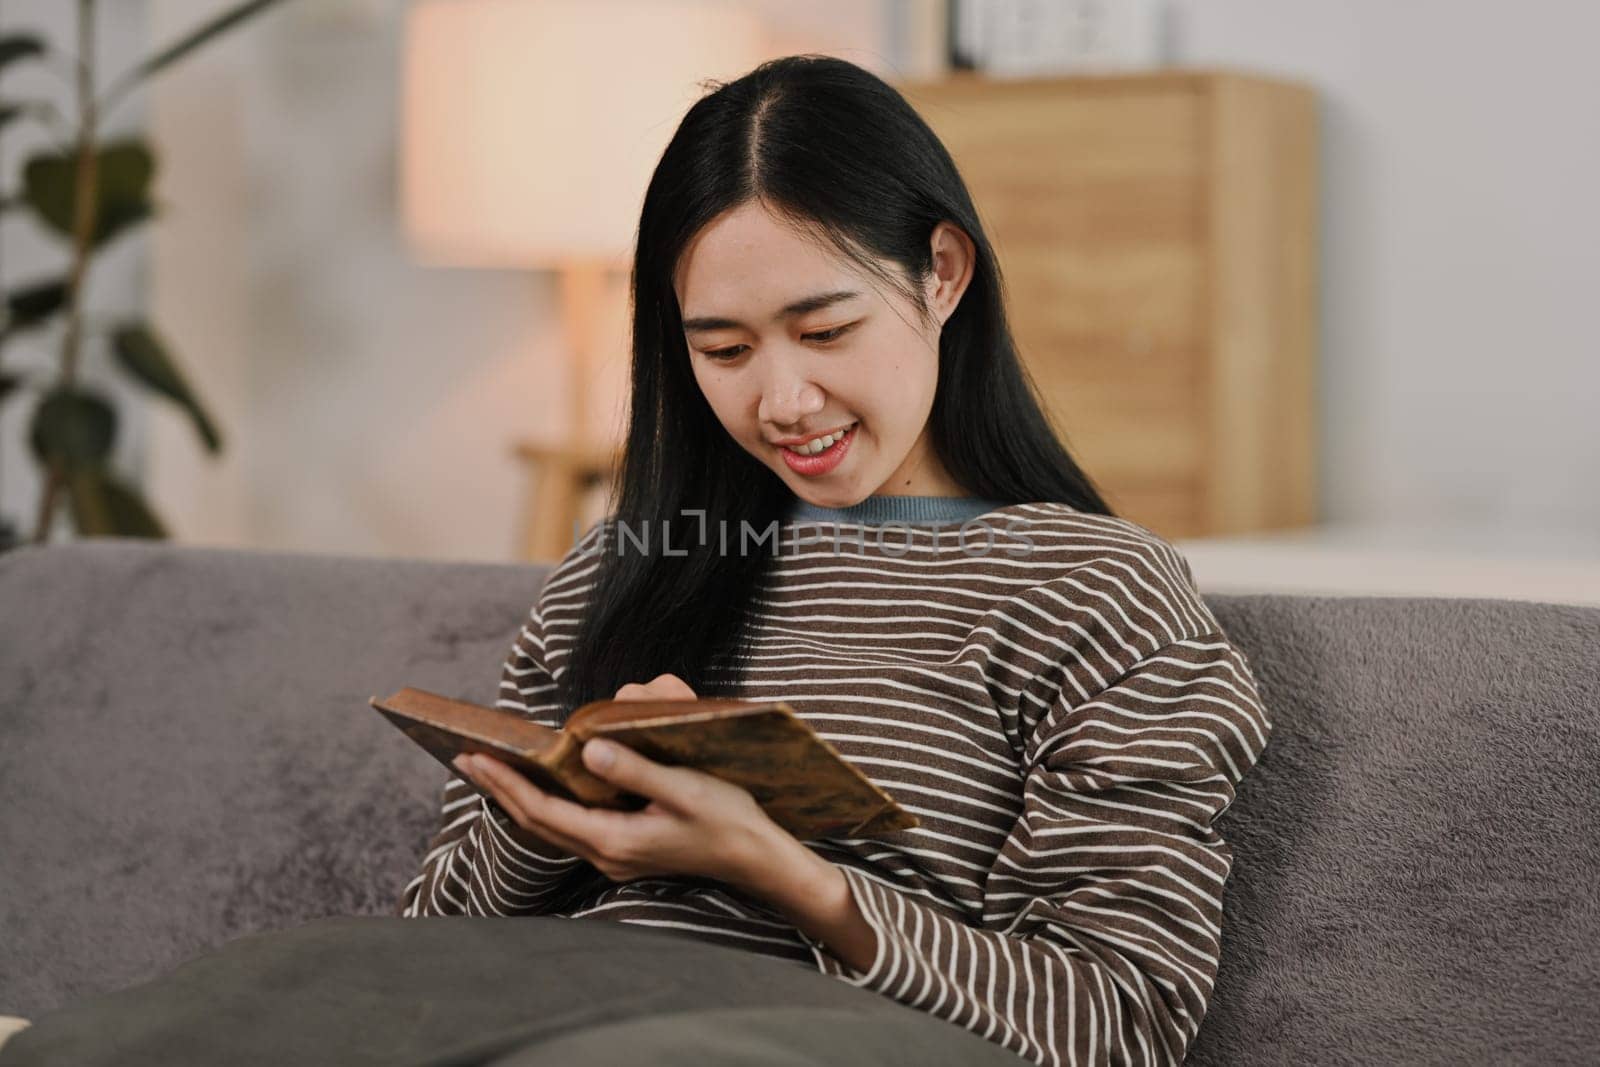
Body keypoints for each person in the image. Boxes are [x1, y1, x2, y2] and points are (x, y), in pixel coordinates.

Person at [397, 54, 1272, 1067]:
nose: (782, 400)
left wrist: (785, 870)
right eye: (723, 350)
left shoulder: (1092, 591)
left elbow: (1113, 1017)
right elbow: (421, 949)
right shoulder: (626, 562)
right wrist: (551, 817)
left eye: (824, 329)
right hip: (520, 1022)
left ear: (941, 273)